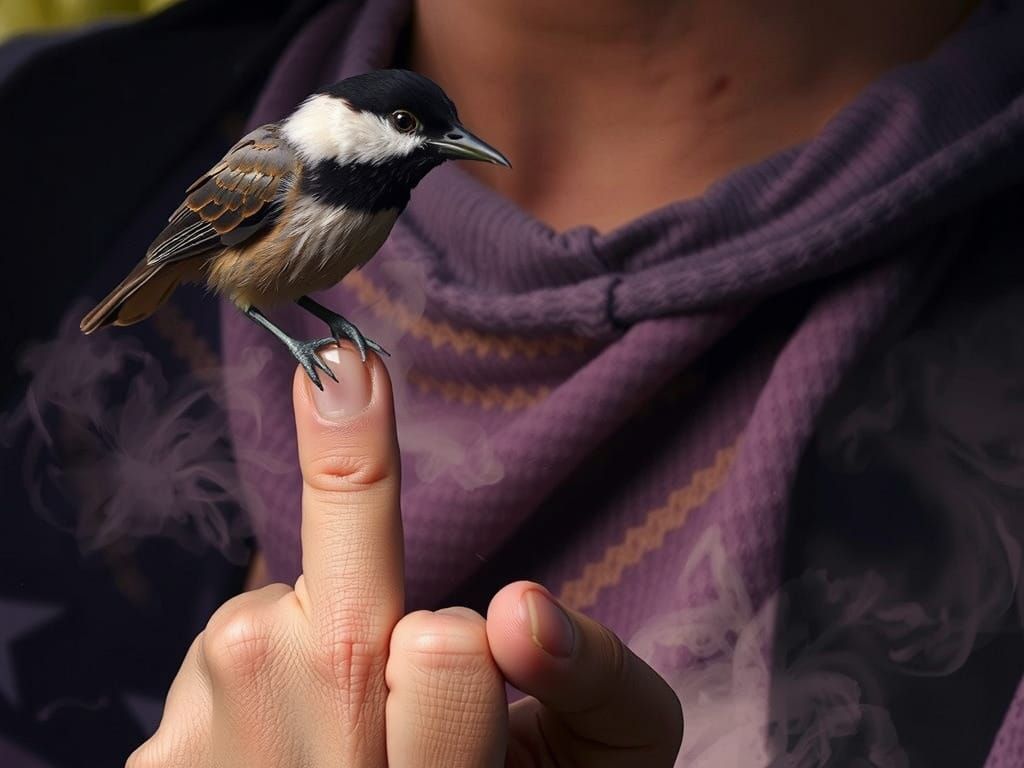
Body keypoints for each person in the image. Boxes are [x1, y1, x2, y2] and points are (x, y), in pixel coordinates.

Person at [2, 0, 1022, 765]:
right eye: (414, 132)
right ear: (355, 126)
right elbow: (224, 260)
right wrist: (305, 337)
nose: (436, 150)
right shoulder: (47, 148)